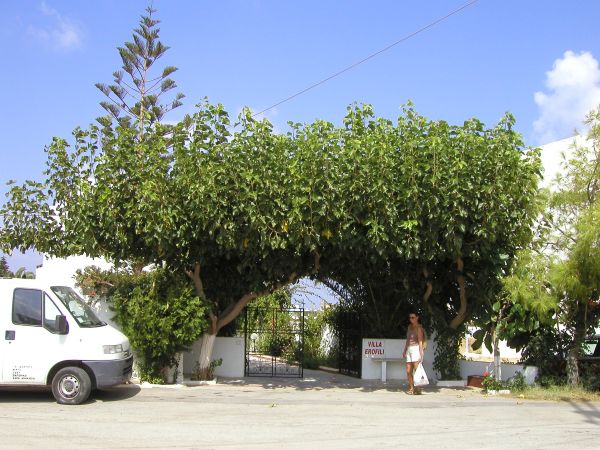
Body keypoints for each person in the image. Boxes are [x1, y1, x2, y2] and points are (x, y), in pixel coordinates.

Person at [402, 311, 425, 395]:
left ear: (417, 318)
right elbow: (408, 340)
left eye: (413, 317)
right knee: (408, 371)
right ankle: (411, 388)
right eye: (410, 318)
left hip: (416, 349)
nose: (411, 319)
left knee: (417, 370)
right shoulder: (409, 327)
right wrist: (404, 351)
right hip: (409, 349)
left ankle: (417, 388)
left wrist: (421, 354)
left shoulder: (419, 328)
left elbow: (420, 342)